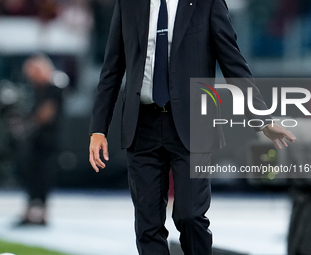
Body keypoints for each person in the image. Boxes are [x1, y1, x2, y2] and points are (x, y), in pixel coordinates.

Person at [89, 0, 296, 254]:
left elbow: (233, 63)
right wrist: (98, 129)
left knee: (190, 216)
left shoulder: (206, 3)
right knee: (147, 225)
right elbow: (111, 69)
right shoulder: (129, 4)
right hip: (141, 126)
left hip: (194, 124)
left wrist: (263, 118)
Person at [16, 54, 63, 225]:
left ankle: (42, 214)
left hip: (48, 140)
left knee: (44, 176)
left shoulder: (55, 86)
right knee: (30, 175)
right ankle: (29, 212)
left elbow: (46, 114)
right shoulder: (35, 89)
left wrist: (28, 125)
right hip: (34, 140)